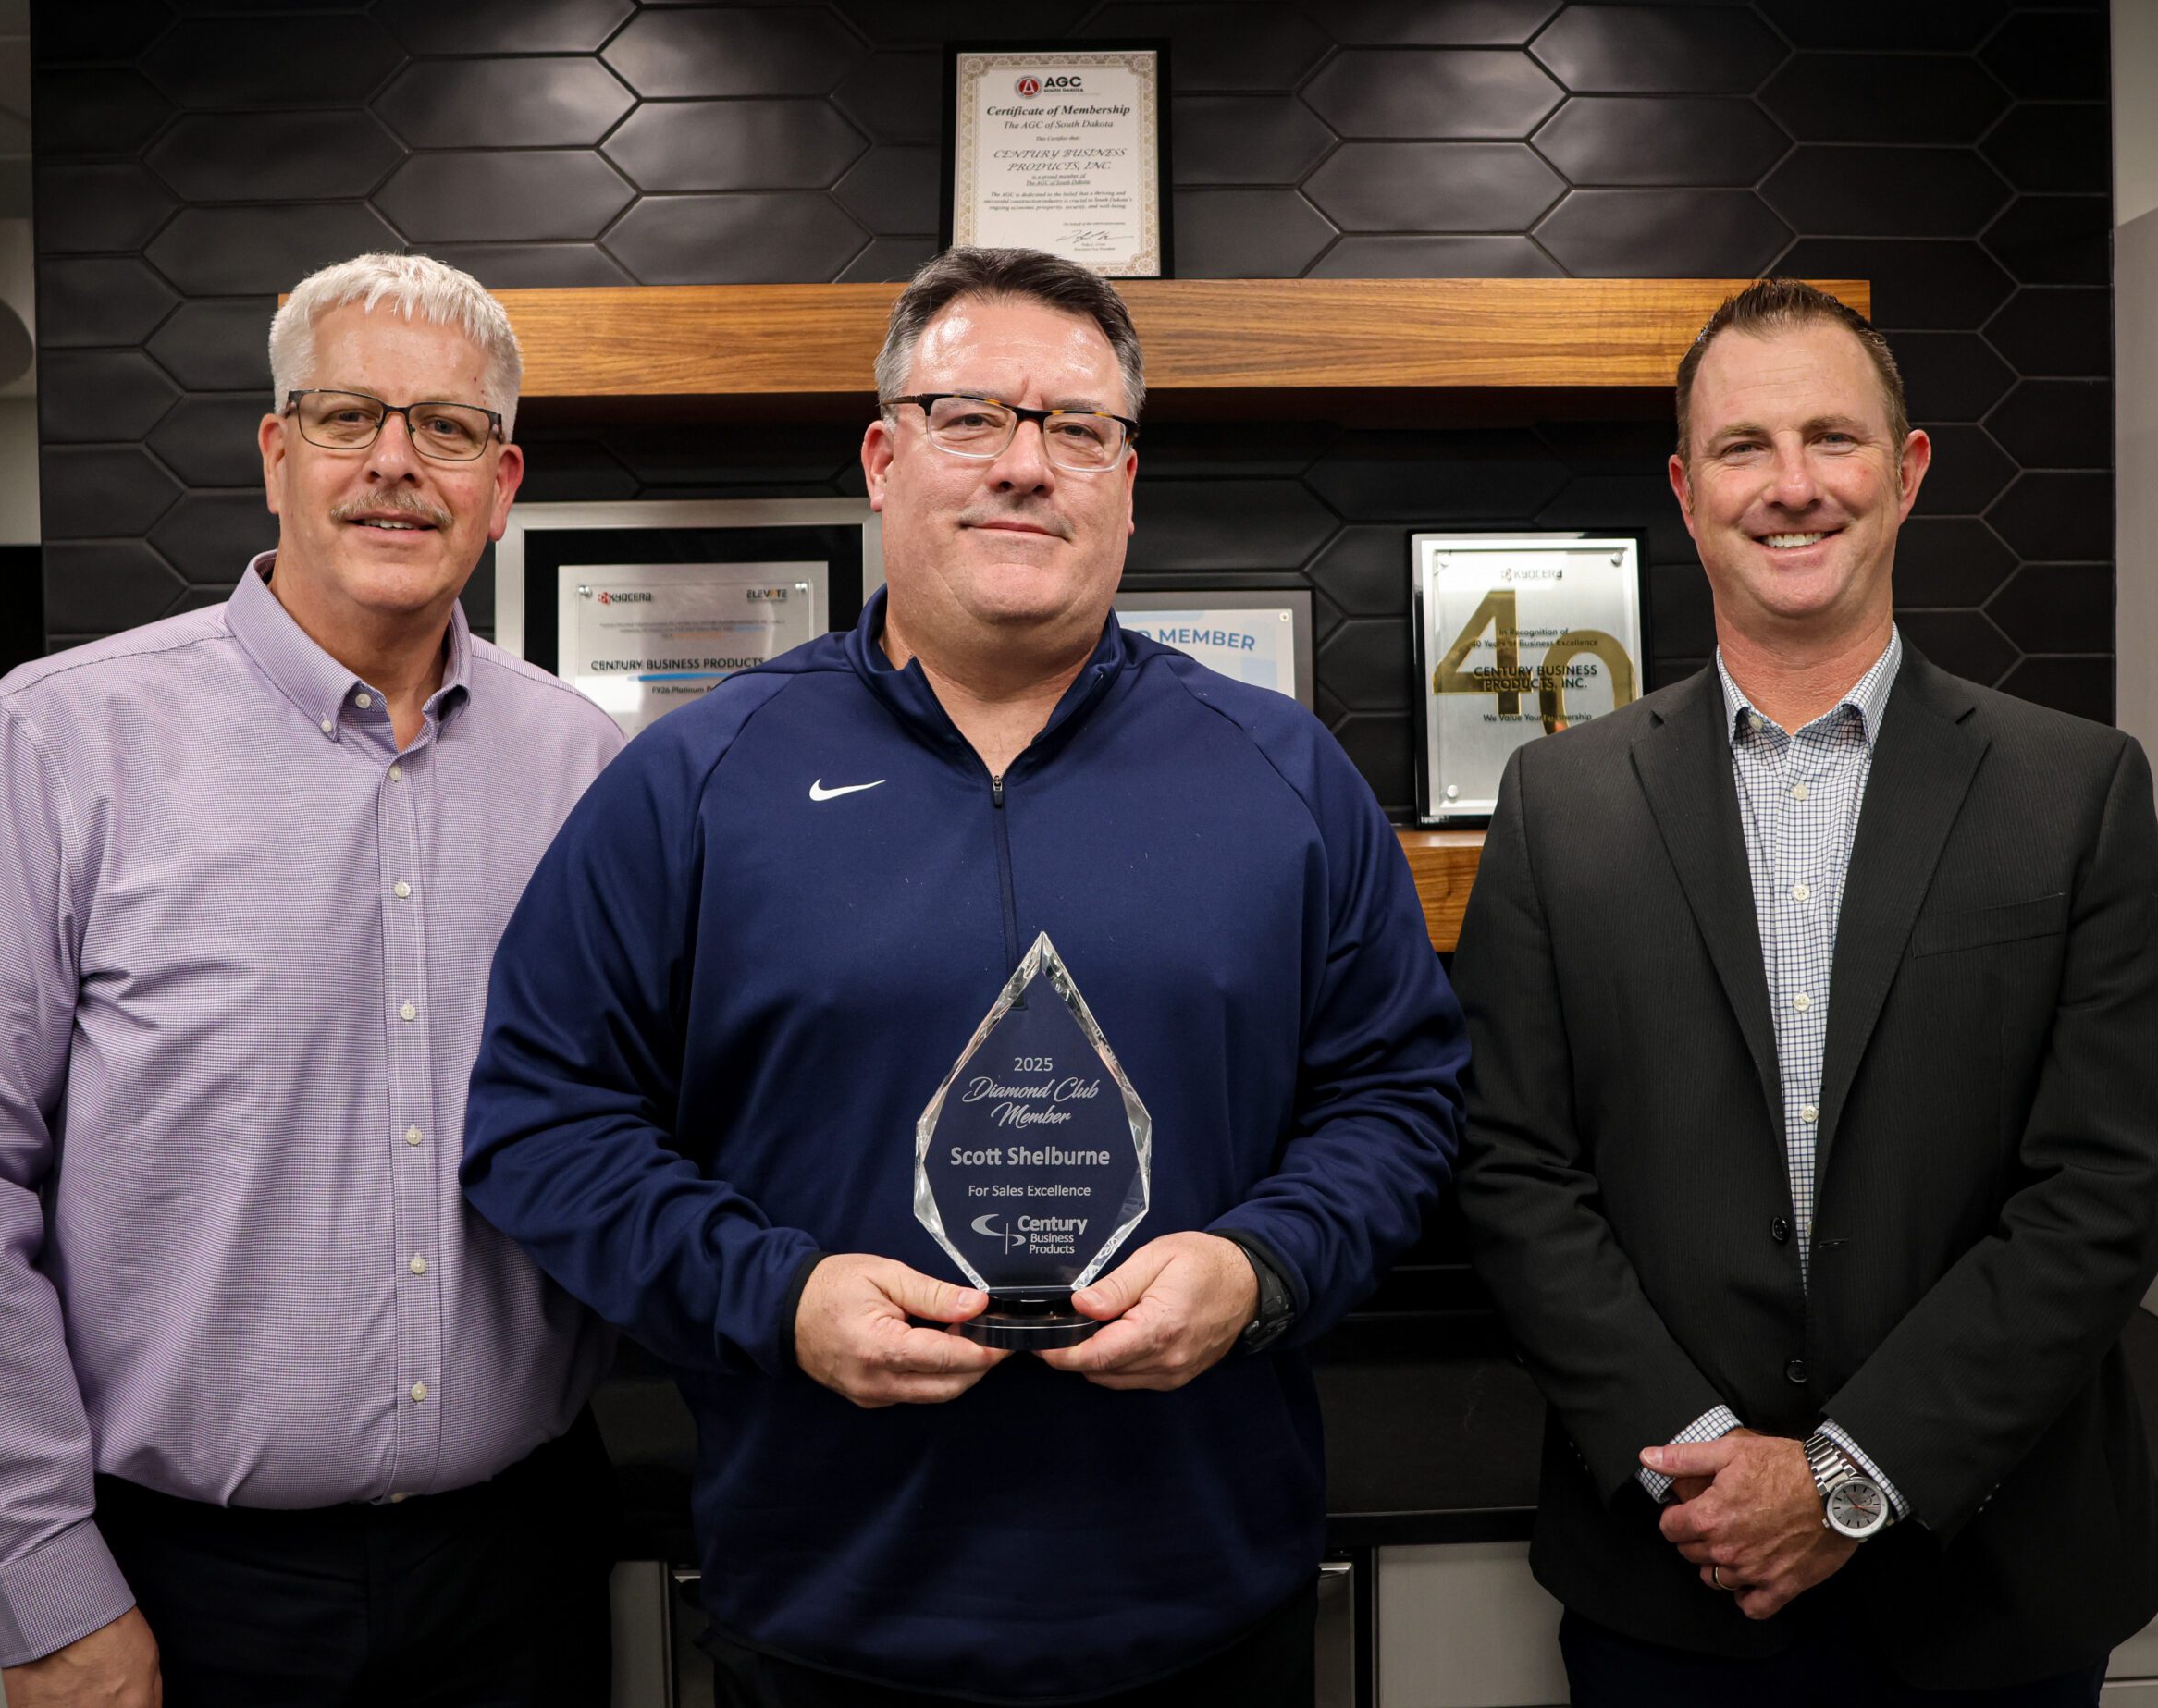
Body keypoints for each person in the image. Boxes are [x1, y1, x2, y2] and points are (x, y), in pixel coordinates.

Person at [461, 245, 1467, 1707]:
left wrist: (1261, 1271)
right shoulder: (693, 778)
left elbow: (1402, 1095)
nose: (1027, 467)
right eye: (972, 417)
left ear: (1128, 479)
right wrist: (780, 1296)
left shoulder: (1284, 771)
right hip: (828, 1612)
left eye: (1078, 429)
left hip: (1202, 1608)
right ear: (885, 456)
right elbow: (542, 1123)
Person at [0, 252, 627, 1707]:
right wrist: (48, 1593)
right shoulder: (59, 744)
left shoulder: (585, 770)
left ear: (501, 477)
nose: (395, 464)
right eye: (347, 418)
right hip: (189, 1590)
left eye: (446, 429)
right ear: (277, 453)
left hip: (521, 1568)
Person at [1451, 277, 2158, 1704]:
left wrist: (1853, 1475)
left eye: (1833, 440)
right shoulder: (1558, 805)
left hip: (1993, 1582)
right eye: (1744, 448)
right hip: (1675, 1568)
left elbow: (2102, 1188)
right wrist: (1710, 1468)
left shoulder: (2076, 790)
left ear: (1905, 474)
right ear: (1685, 488)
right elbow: (1510, 1170)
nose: (1793, 488)